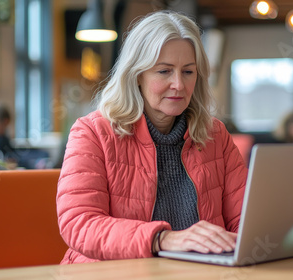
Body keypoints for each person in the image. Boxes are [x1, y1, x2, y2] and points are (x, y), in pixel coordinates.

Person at [56, 11, 248, 264]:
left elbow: (245, 220)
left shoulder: (215, 135)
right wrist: (162, 239)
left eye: (188, 72)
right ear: (137, 75)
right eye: (164, 71)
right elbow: (80, 225)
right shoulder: (92, 132)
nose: (179, 84)